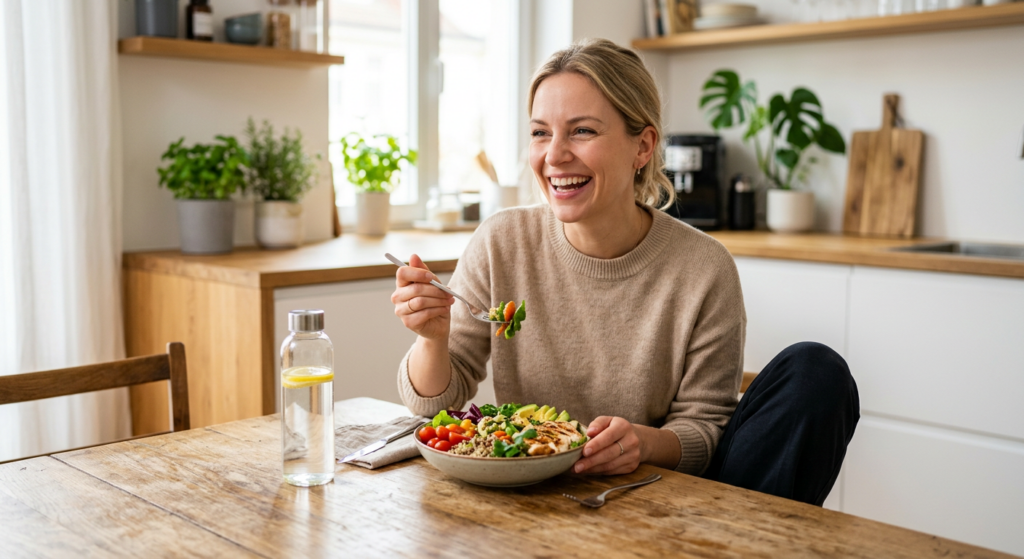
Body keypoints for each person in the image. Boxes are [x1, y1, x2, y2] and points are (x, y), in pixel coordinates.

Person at [390, 38, 859, 506]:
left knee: (816, 373)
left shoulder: (703, 267)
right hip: (535, 488)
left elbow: (704, 429)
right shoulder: (502, 242)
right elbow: (436, 408)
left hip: (655, 489)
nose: (554, 155)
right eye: (539, 133)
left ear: (643, 146)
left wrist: (643, 443)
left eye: (582, 131)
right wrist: (431, 339)